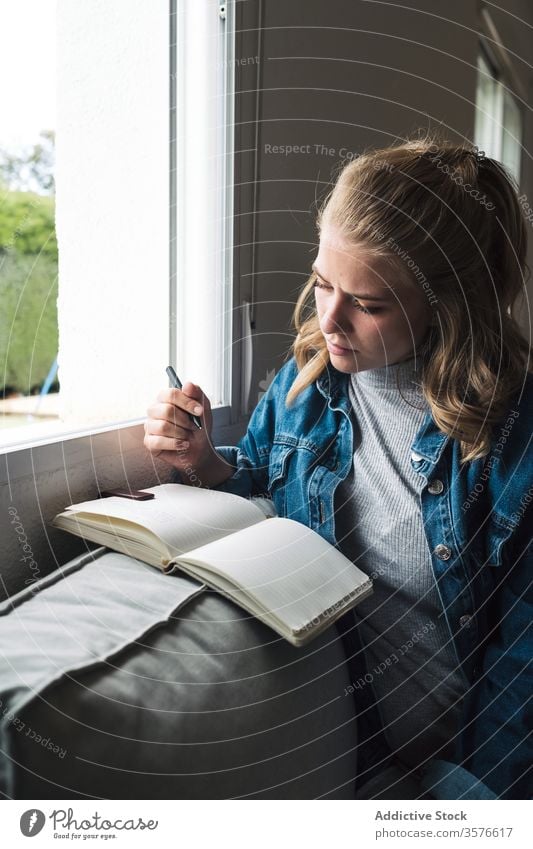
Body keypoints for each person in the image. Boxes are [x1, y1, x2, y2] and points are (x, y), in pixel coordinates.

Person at [144, 135, 533, 800]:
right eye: (322, 283)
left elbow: (521, 667)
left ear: (449, 305)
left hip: (472, 774)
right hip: (359, 758)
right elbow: (263, 493)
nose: (329, 318)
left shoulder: (510, 437)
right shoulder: (303, 388)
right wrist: (203, 461)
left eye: (368, 303)